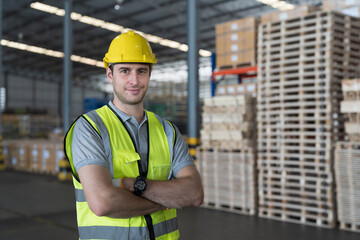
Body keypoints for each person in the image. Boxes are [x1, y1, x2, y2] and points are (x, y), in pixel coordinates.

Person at [64, 30, 204, 240]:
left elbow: (193, 193)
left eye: (141, 71)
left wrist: (133, 185)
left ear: (149, 74)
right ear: (110, 74)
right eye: (125, 70)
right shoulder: (89, 128)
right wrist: (165, 201)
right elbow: (103, 203)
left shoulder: (168, 131)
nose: (134, 80)